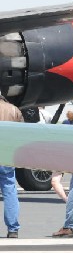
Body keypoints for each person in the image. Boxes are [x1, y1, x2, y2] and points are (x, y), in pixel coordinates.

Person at [0, 94, 24, 238]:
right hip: (7, 155)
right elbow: (21, 134)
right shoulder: (14, 110)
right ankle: (13, 229)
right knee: (9, 190)